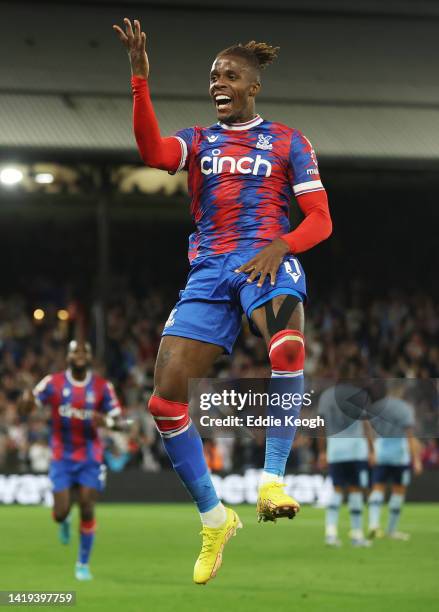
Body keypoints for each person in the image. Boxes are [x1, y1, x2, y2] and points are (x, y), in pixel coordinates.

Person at [113, 17, 332, 584]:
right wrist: (140, 79)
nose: (218, 83)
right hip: (210, 270)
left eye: (229, 75)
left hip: (269, 259)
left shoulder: (287, 140)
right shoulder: (197, 140)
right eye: (213, 75)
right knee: (164, 402)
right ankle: (215, 517)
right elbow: (152, 151)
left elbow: (321, 221)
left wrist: (279, 246)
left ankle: (272, 479)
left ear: (252, 86)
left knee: (286, 347)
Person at [19, 341, 122, 581]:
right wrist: (26, 397)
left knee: (87, 506)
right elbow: (27, 408)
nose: (80, 356)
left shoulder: (102, 387)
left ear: (89, 357)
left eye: (84, 352)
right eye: (76, 352)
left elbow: (123, 423)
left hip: (90, 457)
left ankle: (82, 564)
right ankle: (63, 520)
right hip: (62, 457)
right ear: (68, 356)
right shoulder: (53, 383)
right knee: (60, 512)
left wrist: (106, 422)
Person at [317, 368, 374, 547]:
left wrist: (322, 451)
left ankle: (331, 533)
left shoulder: (326, 396)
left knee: (337, 490)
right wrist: (372, 449)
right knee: (356, 490)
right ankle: (357, 535)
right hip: (356, 451)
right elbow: (366, 425)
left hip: (335, 451)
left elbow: (320, 425)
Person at [367, 382, 422, 540]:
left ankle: (373, 524)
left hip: (381, 452)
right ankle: (391, 530)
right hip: (399, 455)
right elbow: (410, 435)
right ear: (402, 390)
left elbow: (369, 429)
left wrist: (371, 451)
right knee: (398, 491)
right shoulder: (405, 408)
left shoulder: (377, 407)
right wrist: (416, 459)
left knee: (378, 489)